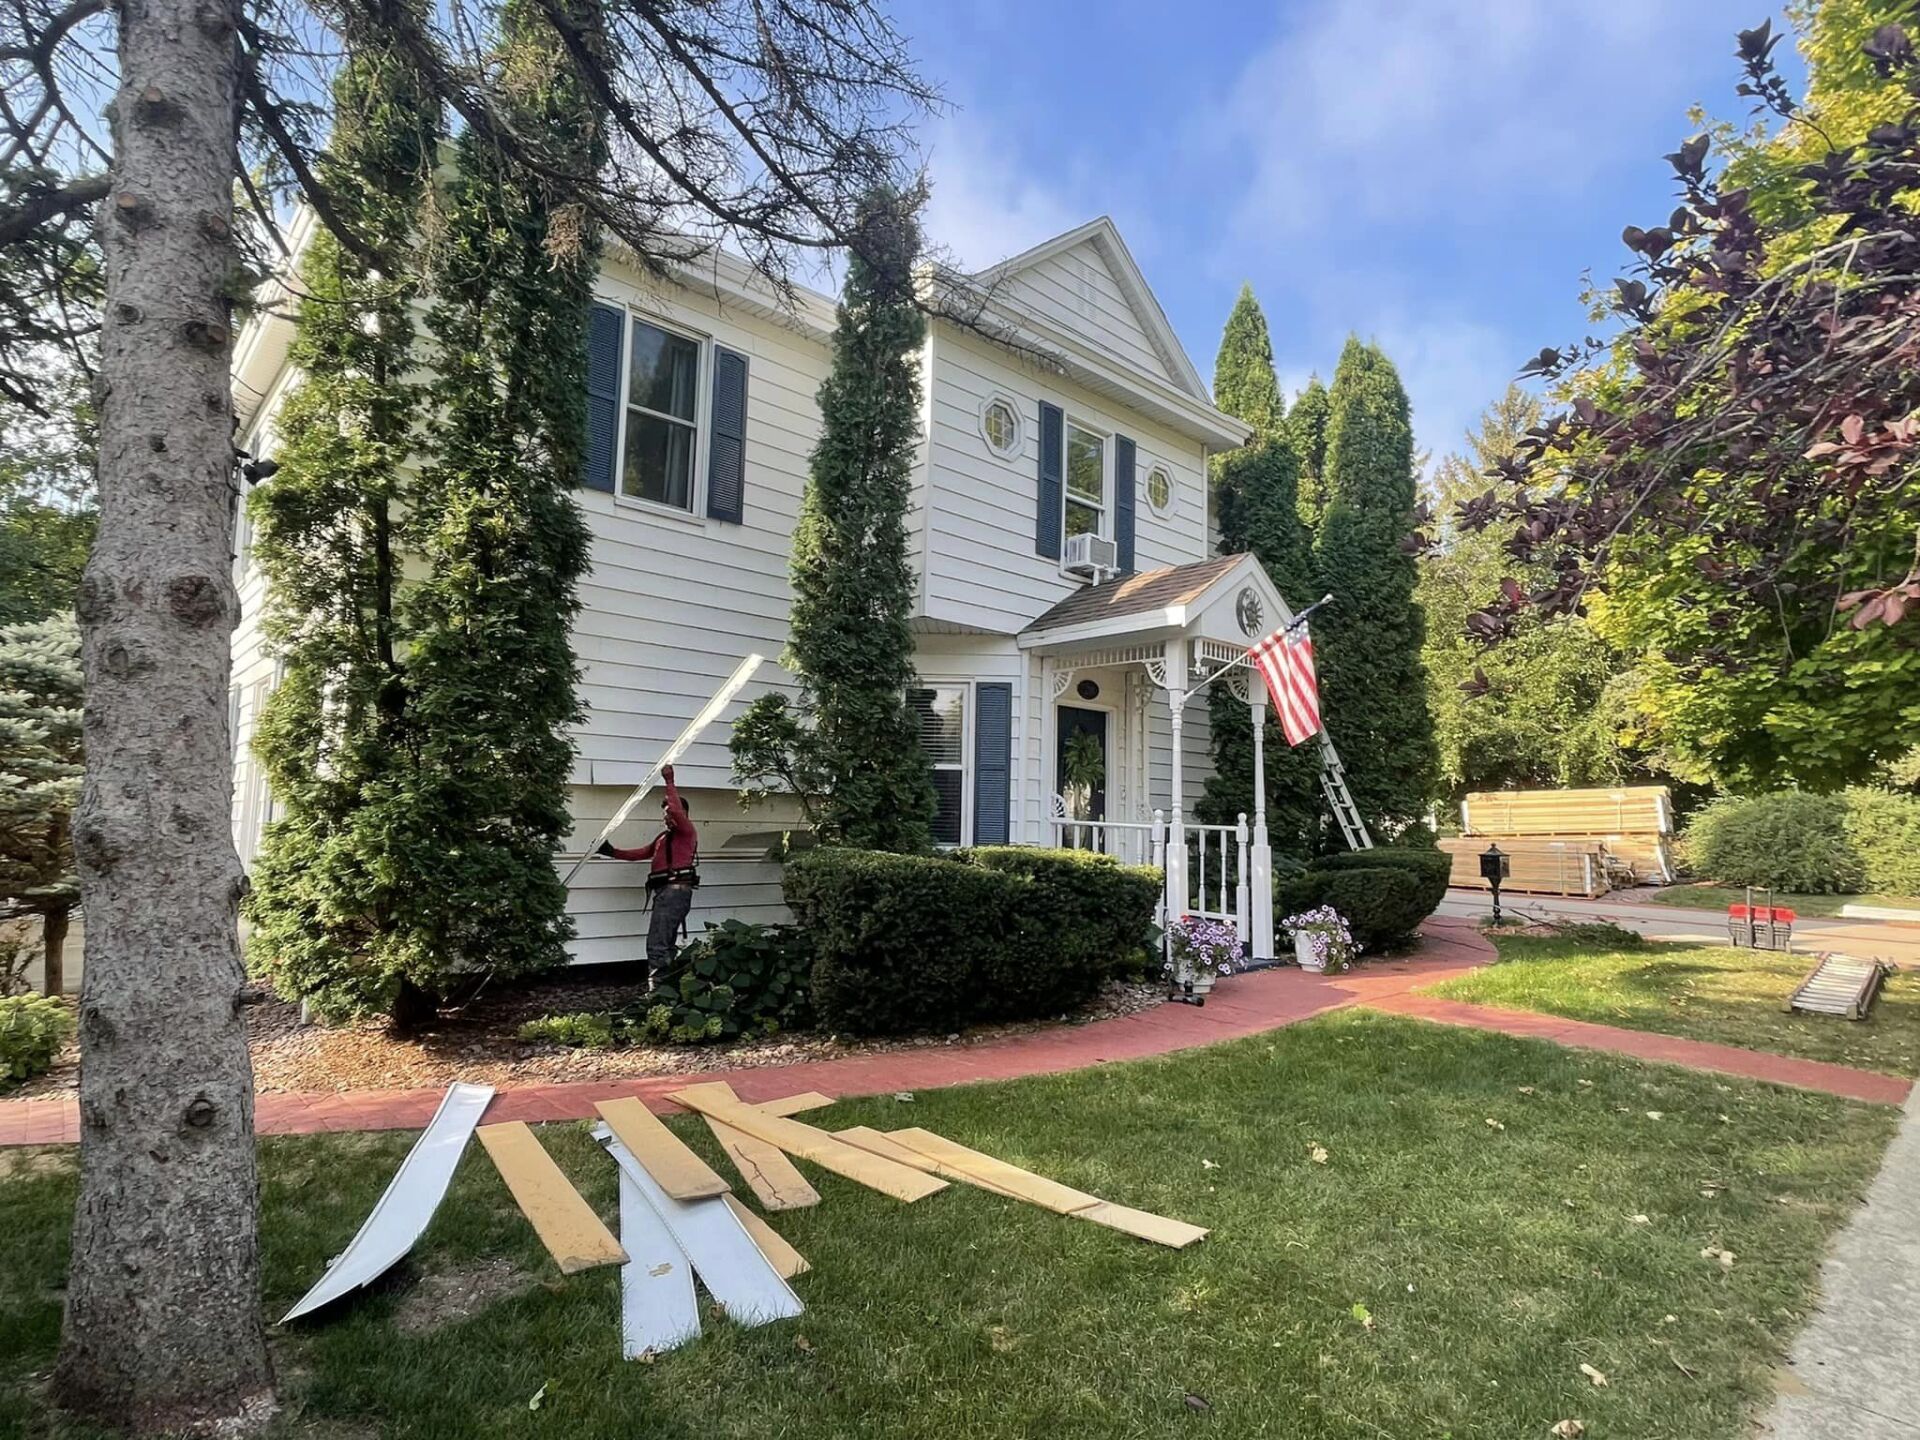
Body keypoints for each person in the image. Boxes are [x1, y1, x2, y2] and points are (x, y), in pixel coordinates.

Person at [596, 764, 699, 988]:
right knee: (666, 944)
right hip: (666, 894)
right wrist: (612, 852)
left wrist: (669, 781)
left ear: (682, 815)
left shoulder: (687, 832)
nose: (667, 818)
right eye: (665, 815)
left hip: (674, 893)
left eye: (670, 814)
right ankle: (672, 989)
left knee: (657, 944)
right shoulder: (664, 838)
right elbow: (641, 853)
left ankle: (658, 995)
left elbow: (676, 810)